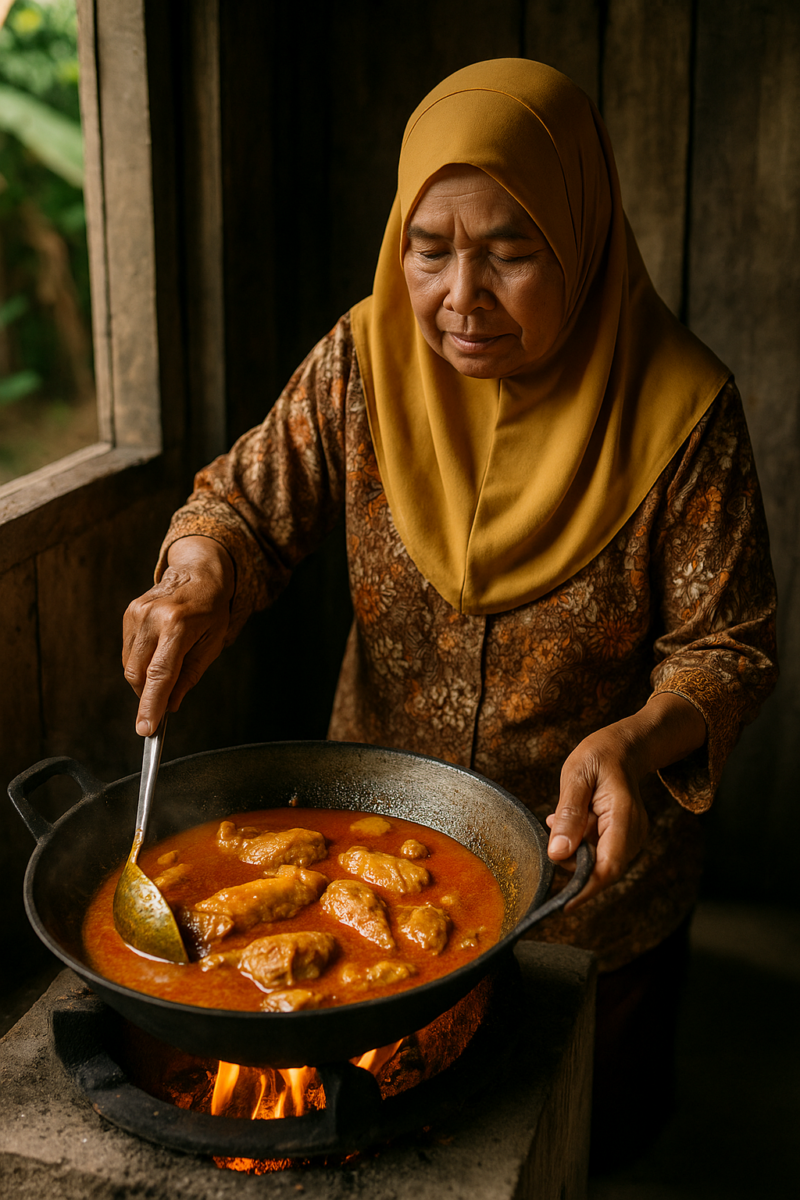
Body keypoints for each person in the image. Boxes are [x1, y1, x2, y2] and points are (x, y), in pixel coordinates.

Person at [122, 60, 777, 1163]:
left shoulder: (680, 410)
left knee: (578, 1138)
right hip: (361, 860)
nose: (458, 297)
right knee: (380, 1135)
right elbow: (242, 506)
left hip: (586, 885)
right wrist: (193, 575)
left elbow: (727, 645)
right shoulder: (363, 361)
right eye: (428, 250)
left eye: (511, 252)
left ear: (581, 235)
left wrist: (635, 737)